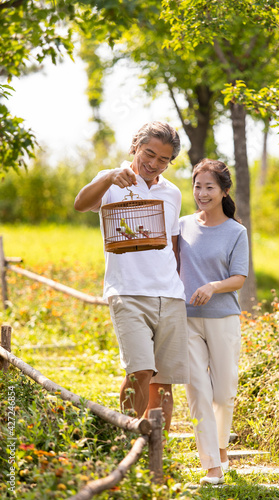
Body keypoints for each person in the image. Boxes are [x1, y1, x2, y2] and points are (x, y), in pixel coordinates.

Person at [74, 121, 189, 431]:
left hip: (170, 295)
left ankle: (155, 462)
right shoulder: (110, 180)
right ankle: (126, 443)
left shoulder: (173, 193)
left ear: (169, 162)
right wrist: (111, 176)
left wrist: (180, 286)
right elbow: (81, 204)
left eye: (163, 159)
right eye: (148, 154)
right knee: (139, 371)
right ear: (135, 148)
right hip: (128, 292)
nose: (153, 164)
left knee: (163, 384)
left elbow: (174, 246)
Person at [178, 158, 249, 485]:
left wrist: (213, 286)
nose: (202, 193)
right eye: (197, 186)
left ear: (223, 191)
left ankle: (221, 446)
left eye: (209, 187)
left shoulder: (236, 231)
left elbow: (239, 278)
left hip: (223, 317)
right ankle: (212, 466)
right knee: (198, 392)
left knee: (223, 392)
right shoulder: (182, 225)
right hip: (187, 319)